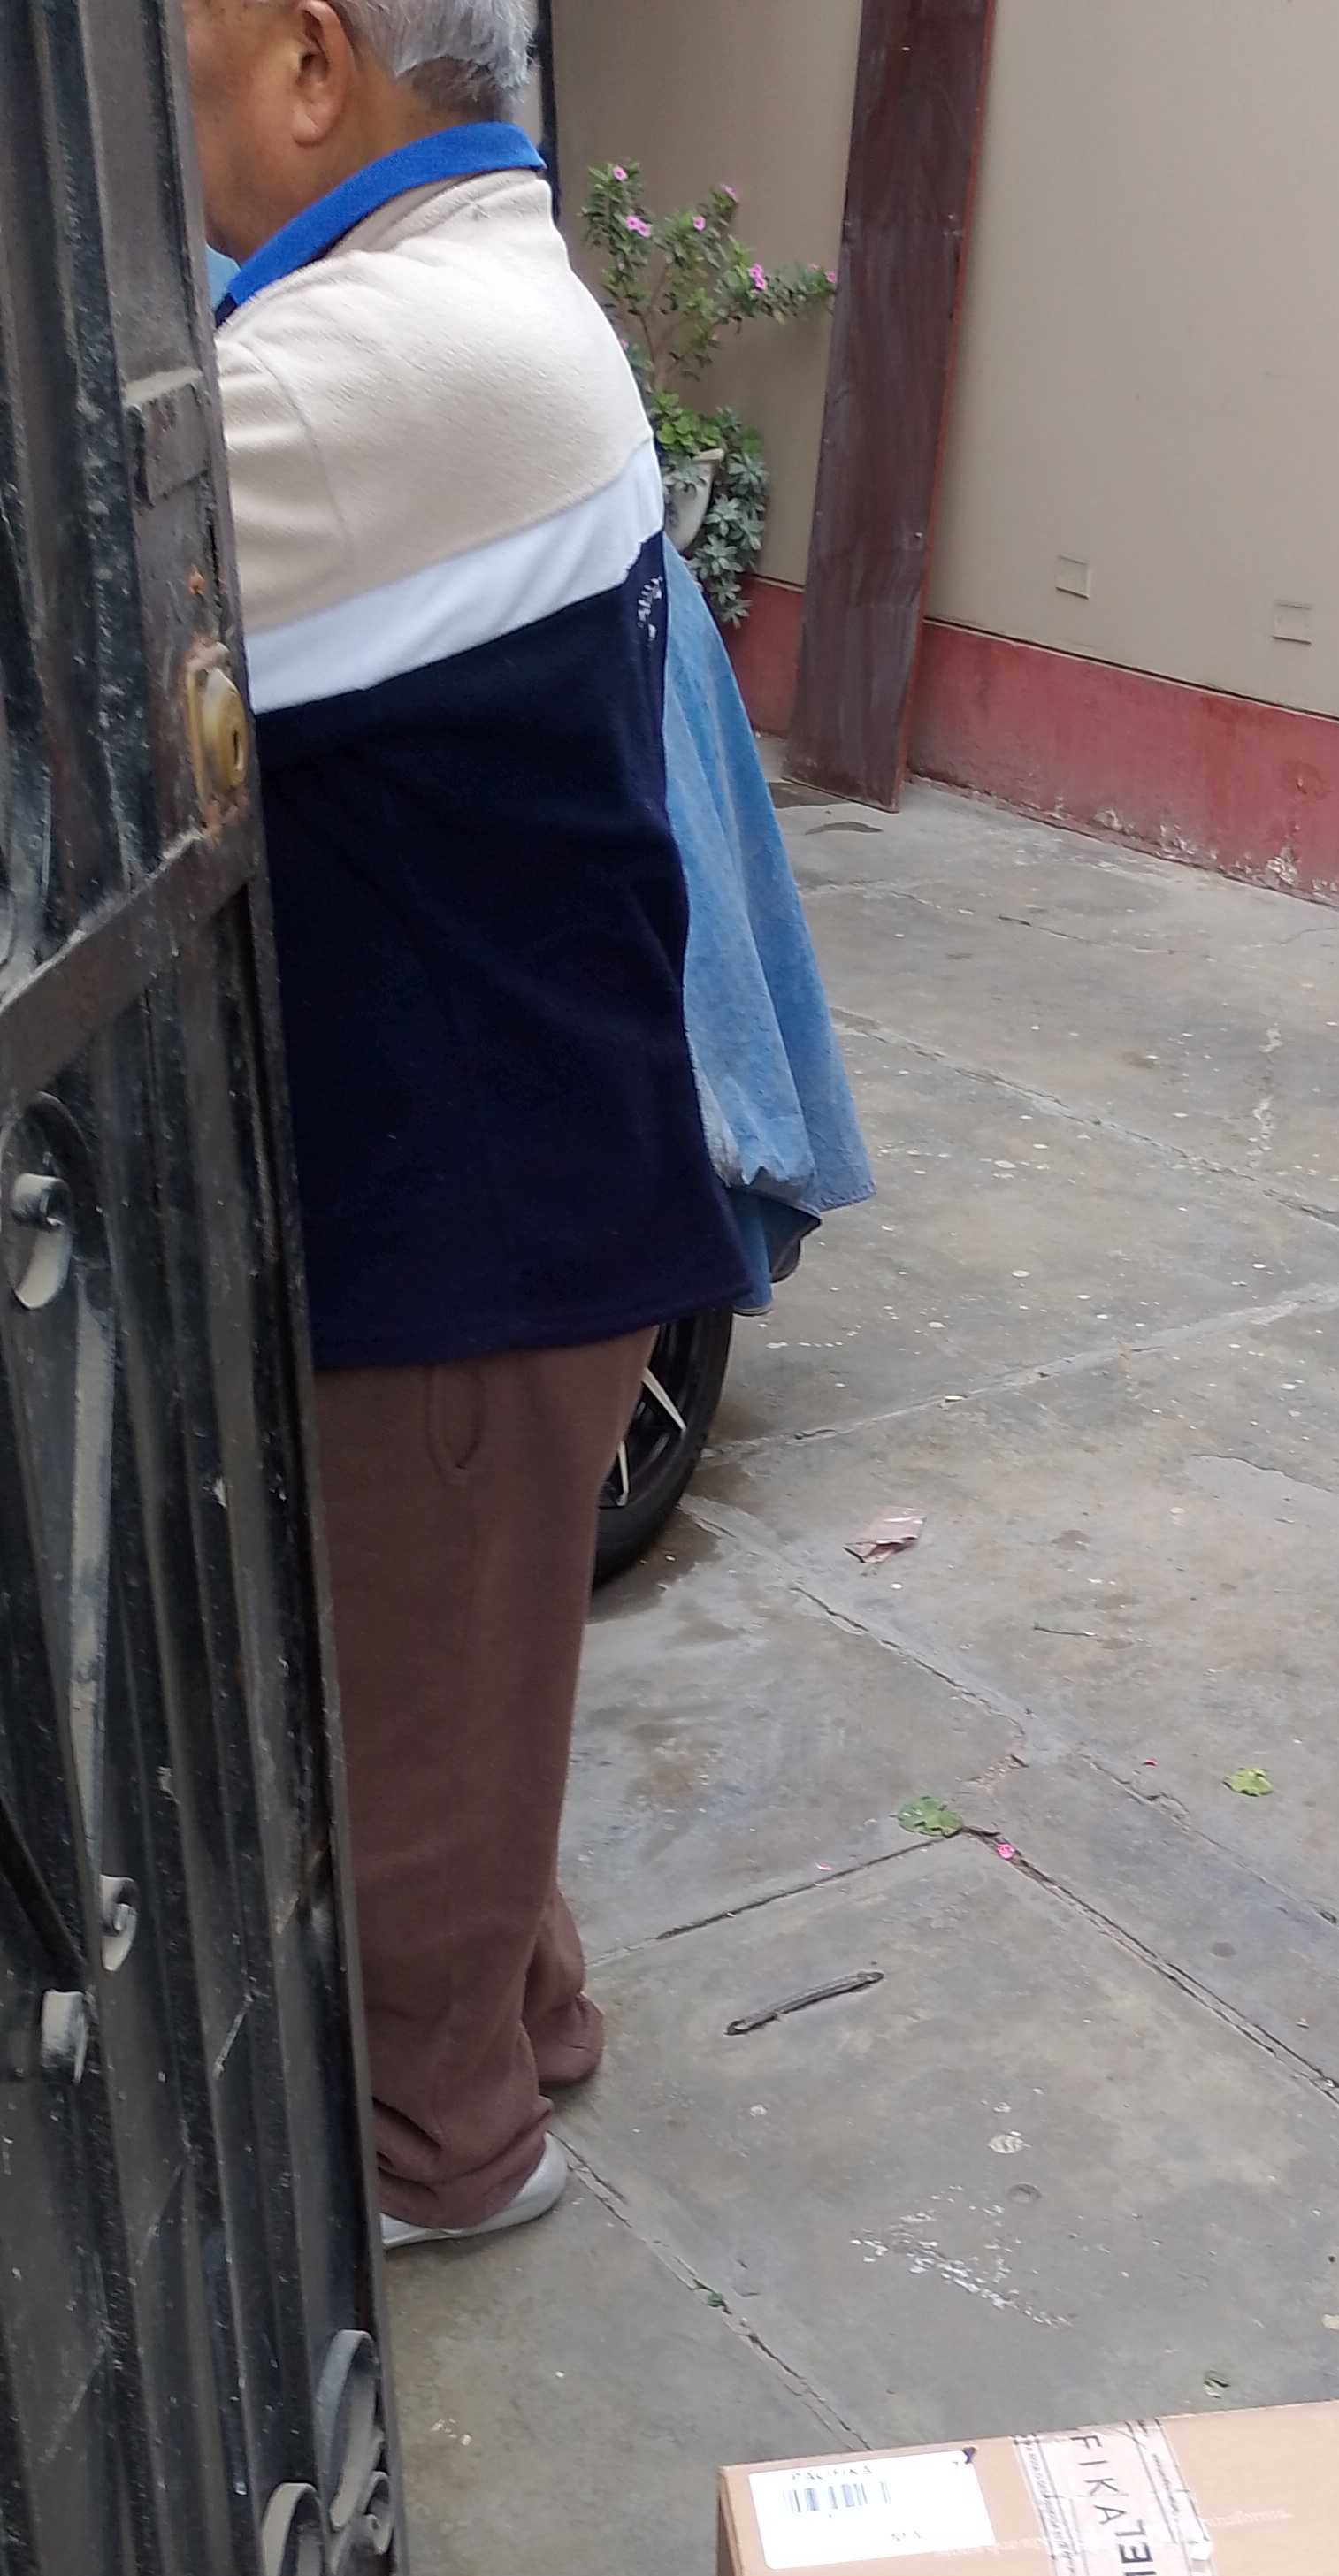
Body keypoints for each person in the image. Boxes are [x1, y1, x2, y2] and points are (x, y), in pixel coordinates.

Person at [184, 0, 754, 2247]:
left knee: (418, 1726)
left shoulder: (356, 369)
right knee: (466, 1684)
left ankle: (450, 2161)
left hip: (470, 1220)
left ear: (314, 65)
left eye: (183, 59)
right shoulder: (492, 298)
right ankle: (528, 2008)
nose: (167, 124)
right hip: (537, 1169)